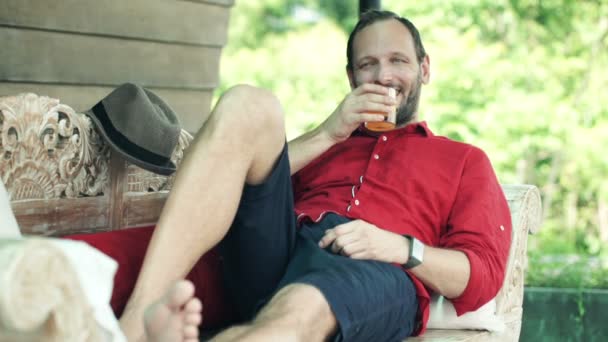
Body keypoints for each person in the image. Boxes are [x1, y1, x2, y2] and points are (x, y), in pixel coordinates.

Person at [118, 9, 512, 341]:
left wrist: (400, 247)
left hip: (374, 268)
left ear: (424, 69)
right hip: (281, 251)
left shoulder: (465, 160)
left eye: (398, 60)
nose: (383, 75)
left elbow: (481, 278)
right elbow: (233, 187)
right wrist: (327, 134)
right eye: (367, 64)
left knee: (296, 313)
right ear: (351, 77)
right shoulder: (327, 141)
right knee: (249, 103)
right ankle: (136, 320)